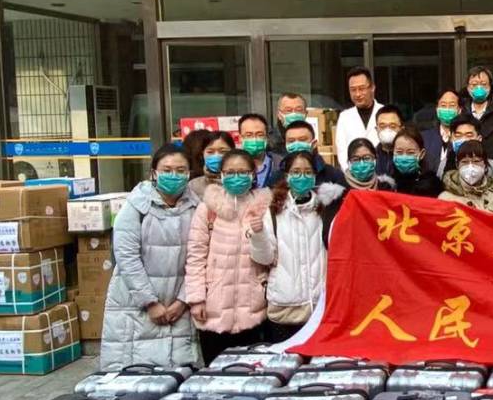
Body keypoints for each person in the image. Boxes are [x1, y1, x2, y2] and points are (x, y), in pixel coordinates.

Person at [98, 144, 201, 369]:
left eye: (181, 170)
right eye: (167, 170)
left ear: (189, 174)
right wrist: (149, 302)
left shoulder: (197, 208)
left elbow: (200, 259)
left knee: (177, 371)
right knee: (136, 370)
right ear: (154, 173)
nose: (173, 175)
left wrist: (183, 300)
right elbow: (126, 257)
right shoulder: (136, 206)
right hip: (135, 304)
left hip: (178, 306)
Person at [184, 149, 273, 361]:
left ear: (253, 174)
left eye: (242, 172)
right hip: (213, 310)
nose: (236, 177)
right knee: (215, 373)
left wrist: (259, 233)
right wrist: (196, 299)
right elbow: (195, 256)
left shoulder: (264, 209)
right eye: (230, 172)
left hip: (253, 310)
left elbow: (268, 258)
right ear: (221, 174)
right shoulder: (208, 209)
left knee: (251, 372)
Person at [250, 151, 336, 337]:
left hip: (319, 307)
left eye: (307, 172)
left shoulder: (325, 209)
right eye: (296, 172)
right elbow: (265, 258)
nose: (302, 177)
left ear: (315, 176)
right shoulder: (273, 210)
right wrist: (258, 235)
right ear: (287, 176)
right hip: (284, 308)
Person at [322, 137, 397, 233]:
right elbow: (329, 232)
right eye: (356, 159)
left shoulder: (385, 187)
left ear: (375, 160)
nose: (362, 163)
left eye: (367, 158)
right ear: (349, 163)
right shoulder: (338, 193)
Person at [335, 67, 384, 166]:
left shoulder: (385, 113)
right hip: (353, 171)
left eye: (361, 89)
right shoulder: (344, 117)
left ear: (372, 87)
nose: (357, 94)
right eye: (353, 90)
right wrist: (349, 171)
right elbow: (342, 151)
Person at [439, 139, 493, 211]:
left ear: (485, 164)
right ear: (457, 165)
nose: (470, 166)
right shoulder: (446, 198)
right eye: (464, 162)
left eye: (476, 161)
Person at [282, 119, 345, 187]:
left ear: (314, 144)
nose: (297, 144)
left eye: (302, 140)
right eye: (291, 141)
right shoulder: (277, 176)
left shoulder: (333, 175)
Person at [391, 126, 444, 197]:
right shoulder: (387, 183)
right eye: (399, 152)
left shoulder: (431, 185)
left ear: (422, 154)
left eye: (410, 153)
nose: (404, 157)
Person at [422, 89, 461, 176]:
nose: (447, 109)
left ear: (459, 110)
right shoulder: (424, 137)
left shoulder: (463, 138)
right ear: (437, 109)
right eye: (443, 105)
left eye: (452, 105)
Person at [239, 113, 282, 187]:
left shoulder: (280, 164)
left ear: (266, 137)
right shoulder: (231, 165)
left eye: (260, 135)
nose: (254, 139)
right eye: (249, 135)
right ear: (240, 138)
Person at [189, 130, 234, 199]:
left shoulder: (240, 181)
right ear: (202, 154)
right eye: (210, 152)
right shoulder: (193, 186)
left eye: (223, 151)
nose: (216, 156)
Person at [462, 65, 493, 133]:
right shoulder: (461, 111)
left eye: (484, 84)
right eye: (474, 84)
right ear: (467, 87)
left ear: (490, 87)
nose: (479, 88)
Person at [373, 105, 405, 174]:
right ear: (376, 129)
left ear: (402, 129)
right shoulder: (371, 156)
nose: (387, 130)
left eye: (392, 126)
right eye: (382, 126)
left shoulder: (409, 156)